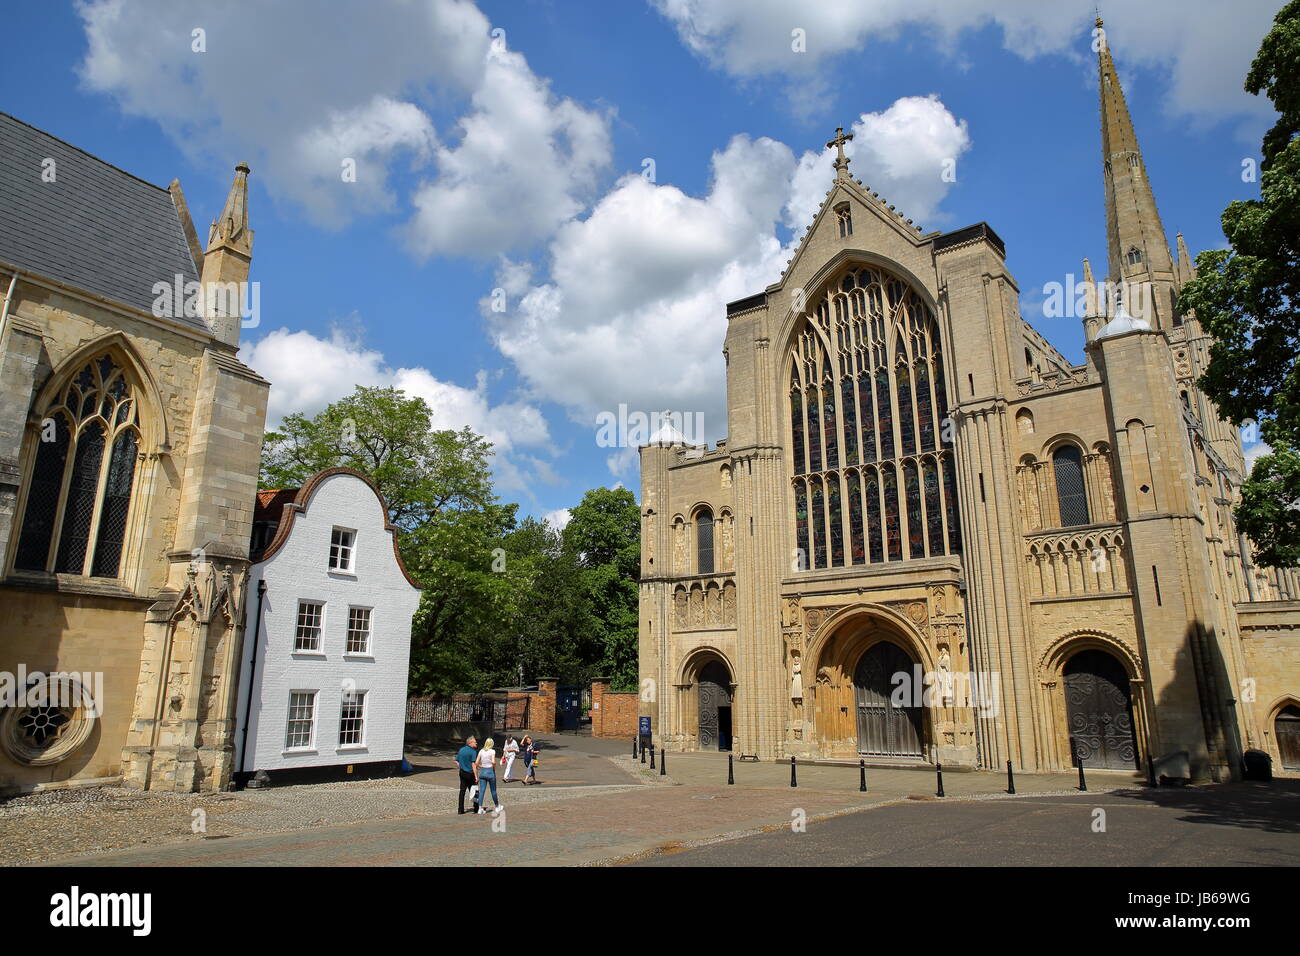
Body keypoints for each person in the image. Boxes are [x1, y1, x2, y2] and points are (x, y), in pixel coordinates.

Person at [475, 736, 502, 814]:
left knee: (482, 791)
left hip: (482, 771)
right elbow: (493, 762)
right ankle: (497, 806)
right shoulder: (492, 751)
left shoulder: (481, 751)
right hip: (490, 771)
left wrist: (481, 766)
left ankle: (480, 808)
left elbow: (476, 762)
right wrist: (494, 767)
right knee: (493, 790)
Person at [456, 735, 479, 815]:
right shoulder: (473, 751)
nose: (476, 743)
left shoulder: (461, 750)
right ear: (470, 743)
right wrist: (476, 776)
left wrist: (461, 766)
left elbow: (456, 761)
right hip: (470, 773)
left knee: (462, 791)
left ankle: (460, 809)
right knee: (474, 790)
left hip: (462, 772)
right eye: (475, 742)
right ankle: (476, 808)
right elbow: (473, 764)